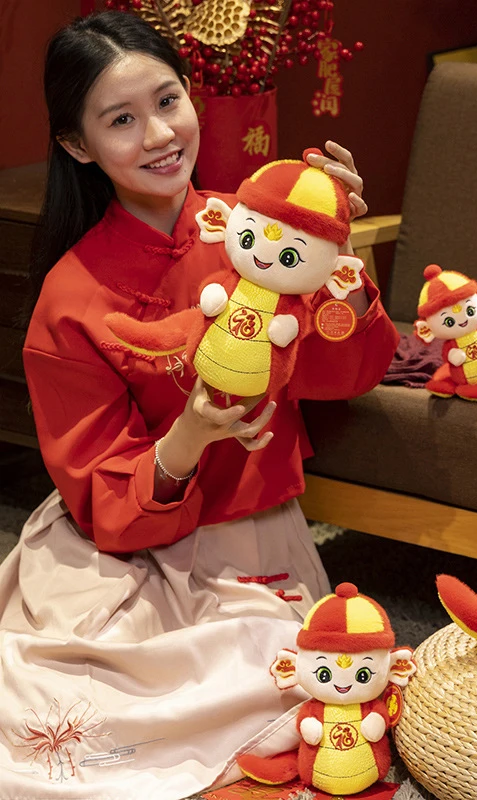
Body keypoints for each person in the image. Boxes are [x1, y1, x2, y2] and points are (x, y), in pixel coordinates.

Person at [0, 10, 398, 798]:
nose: (158, 135)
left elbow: (345, 372)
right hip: (119, 547)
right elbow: (103, 499)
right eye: (121, 120)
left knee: (315, 693)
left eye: (167, 101)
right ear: (77, 145)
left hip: (251, 541)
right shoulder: (69, 298)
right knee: (59, 726)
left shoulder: (259, 231)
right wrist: (188, 434)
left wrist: (336, 256)